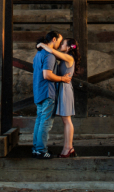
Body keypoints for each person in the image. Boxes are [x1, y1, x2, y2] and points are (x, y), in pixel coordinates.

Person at [37, 37, 80, 158]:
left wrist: (42, 44)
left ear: (68, 47)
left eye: (63, 43)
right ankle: (68, 148)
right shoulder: (65, 56)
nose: (61, 45)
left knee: (67, 120)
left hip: (65, 89)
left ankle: (68, 148)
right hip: (62, 88)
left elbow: (52, 52)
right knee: (65, 120)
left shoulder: (69, 57)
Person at [31, 31, 71, 159]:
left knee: (39, 120)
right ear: (54, 39)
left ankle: (36, 149)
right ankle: (42, 150)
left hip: (38, 91)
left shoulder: (38, 54)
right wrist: (62, 79)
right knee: (46, 123)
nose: (59, 44)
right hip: (47, 91)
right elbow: (47, 75)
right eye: (59, 41)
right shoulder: (50, 55)